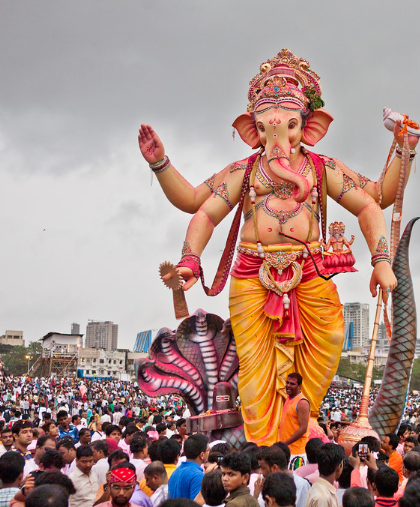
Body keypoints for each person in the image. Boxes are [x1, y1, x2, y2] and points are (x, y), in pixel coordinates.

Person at [143, 48, 404, 446]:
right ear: (254, 130)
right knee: (254, 368)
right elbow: (199, 207)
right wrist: (162, 170)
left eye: (290, 126)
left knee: (330, 341)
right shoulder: (244, 171)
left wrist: (381, 257)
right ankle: (264, 446)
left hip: (310, 273)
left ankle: (299, 429)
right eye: (266, 128)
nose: (278, 137)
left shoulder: (321, 168)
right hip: (253, 274)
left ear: (310, 127)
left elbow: (374, 200)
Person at [278, 373, 310, 467]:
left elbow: (303, 429)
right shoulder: (289, 398)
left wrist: (284, 444)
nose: (288, 385)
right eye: (287, 382)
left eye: (292, 384)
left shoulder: (302, 403)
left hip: (296, 453)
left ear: (299, 386)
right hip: (287, 450)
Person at [168, 434, 209, 500]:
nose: (209, 453)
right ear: (202, 455)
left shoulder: (176, 471)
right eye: (208, 450)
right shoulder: (197, 475)